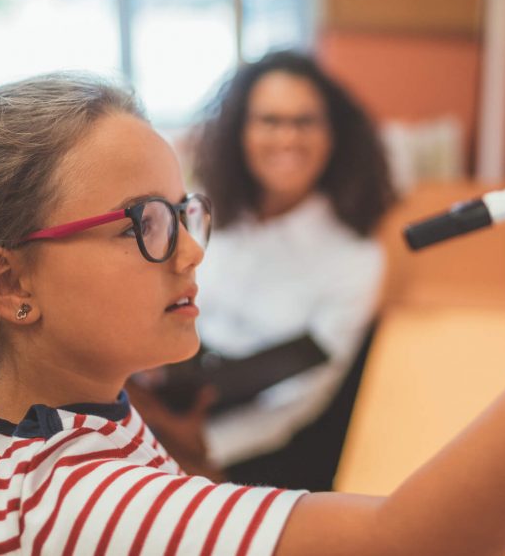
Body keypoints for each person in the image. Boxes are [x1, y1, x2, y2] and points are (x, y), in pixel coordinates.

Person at [0, 71, 505, 555]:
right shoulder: (76, 500)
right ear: (11, 285)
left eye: (183, 212)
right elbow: (408, 543)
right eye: (144, 225)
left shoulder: (35, 424)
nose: (191, 252)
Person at [151, 51, 394, 490]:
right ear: (240, 131)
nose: (287, 138)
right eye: (269, 121)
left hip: (248, 451)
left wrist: (195, 447)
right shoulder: (202, 210)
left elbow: (296, 406)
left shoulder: (355, 259)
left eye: (305, 122)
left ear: (332, 135)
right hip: (154, 405)